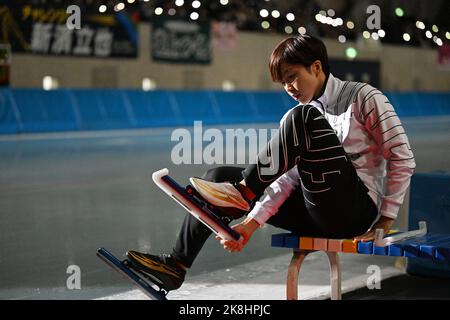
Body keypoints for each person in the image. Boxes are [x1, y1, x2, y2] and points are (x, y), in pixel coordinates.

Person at [126, 35, 416, 292]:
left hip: (353, 212)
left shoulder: (363, 97)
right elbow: (287, 179)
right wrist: (251, 225)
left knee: (300, 117)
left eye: (292, 77)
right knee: (217, 175)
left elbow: (402, 157)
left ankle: (241, 193)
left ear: (316, 67)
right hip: (314, 209)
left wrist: (385, 220)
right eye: (283, 82)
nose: (289, 87)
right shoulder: (300, 118)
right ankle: (177, 266)